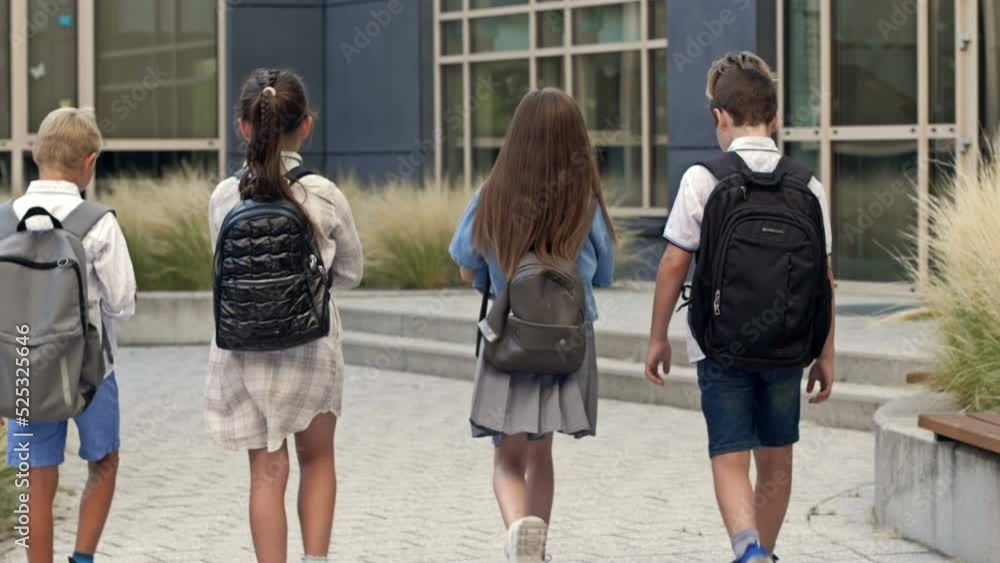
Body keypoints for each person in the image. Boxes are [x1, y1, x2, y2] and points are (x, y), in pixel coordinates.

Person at [644, 52, 836, 563]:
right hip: (788, 348)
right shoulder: (808, 185)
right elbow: (825, 278)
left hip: (719, 347)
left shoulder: (704, 178)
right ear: (775, 119)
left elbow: (672, 264)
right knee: (777, 461)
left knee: (729, 456)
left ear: (719, 116)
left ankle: (748, 551)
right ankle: (764, 551)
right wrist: (825, 353)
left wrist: (658, 335)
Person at [449, 88, 616, 563]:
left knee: (507, 458)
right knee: (542, 455)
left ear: (517, 137)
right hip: (567, 344)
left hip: (509, 341)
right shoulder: (584, 200)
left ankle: (519, 530)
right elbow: (602, 275)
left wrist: (497, 273)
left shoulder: (492, 195)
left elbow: (466, 264)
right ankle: (536, 547)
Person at [204, 68, 363, 563]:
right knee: (317, 460)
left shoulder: (223, 196)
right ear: (306, 125)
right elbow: (352, 272)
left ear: (243, 127)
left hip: (243, 347)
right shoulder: (325, 194)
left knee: (266, 473)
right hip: (310, 345)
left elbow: (221, 269)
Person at [2, 107, 137, 563]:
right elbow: (123, 303)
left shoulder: (3, 221)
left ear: (37, 154)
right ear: (90, 160)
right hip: (91, 371)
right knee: (104, 461)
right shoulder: (98, 222)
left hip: (20, 365)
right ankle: (82, 558)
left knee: (35, 479)